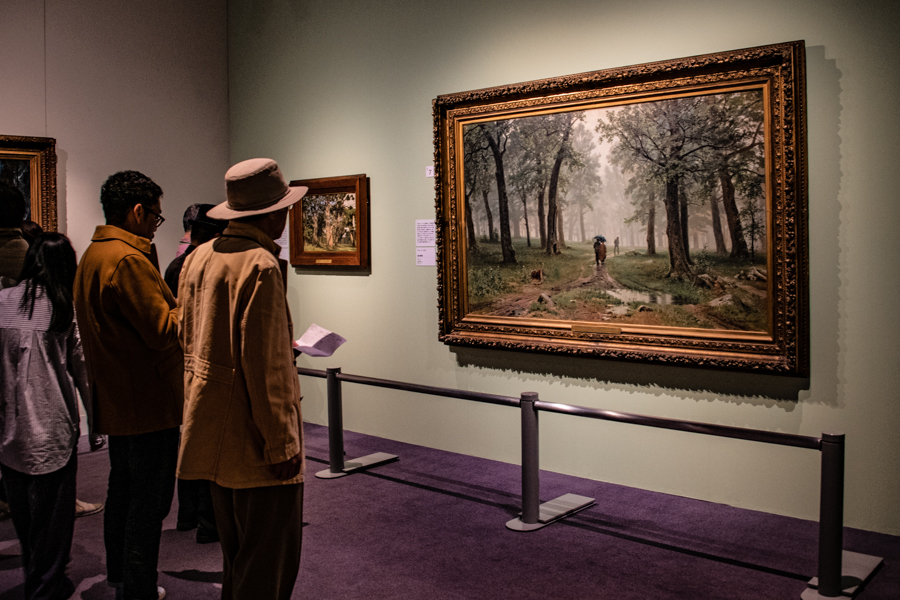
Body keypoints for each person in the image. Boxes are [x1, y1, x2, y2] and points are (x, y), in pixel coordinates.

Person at [177, 158, 306, 600]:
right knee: (267, 566)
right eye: (285, 208)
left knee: (237, 558)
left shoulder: (197, 258)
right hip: (256, 444)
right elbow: (266, 370)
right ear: (271, 213)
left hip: (213, 432)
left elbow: (186, 339)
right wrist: (281, 444)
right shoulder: (261, 267)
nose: (287, 216)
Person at [74, 170, 183, 600]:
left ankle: (120, 572)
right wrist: (187, 304)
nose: (157, 224)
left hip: (120, 400)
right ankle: (137, 588)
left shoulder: (94, 254)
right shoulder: (128, 260)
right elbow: (160, 330)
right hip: (148, 403)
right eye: (156, 216)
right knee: (148, 502)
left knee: (122, 489)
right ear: (138, 211)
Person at [0, 232, 104, 600]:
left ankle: (36, 580)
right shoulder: (63, 308)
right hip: (52, 429)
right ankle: (47, 588)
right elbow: (84, 374)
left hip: (9, 431)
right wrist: (97, 426)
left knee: (24, 520)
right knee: (54, 521)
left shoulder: (1, 302)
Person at [164, 203, 226, 545]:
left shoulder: (177, 264)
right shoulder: (198, 266)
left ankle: (189, 516)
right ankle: (207, 522)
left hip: (181, 362)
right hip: (196, 361)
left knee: (190, 440)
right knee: (203, 442)